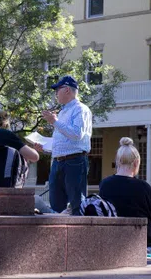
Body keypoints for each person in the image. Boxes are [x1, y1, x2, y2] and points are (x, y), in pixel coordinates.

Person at [37, 75, 93, 215]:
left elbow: (77, 134)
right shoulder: (62, 112)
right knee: (56, 205)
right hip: (58, 162)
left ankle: (79, 236)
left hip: (75, 161)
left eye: (57, 89)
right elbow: (63, 142)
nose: (56, 93)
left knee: (77, 204)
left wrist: (55, 122)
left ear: (67, 89)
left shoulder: (81, 109)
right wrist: (44, 149)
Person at [99, 137, 151, 249]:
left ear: (118, 161)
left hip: (113, 239)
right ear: (136, 163)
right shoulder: (143, 187)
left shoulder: (104, 185)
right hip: (143, 240)